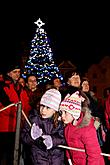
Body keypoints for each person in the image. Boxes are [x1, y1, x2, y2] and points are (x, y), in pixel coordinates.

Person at [21, 88, 66, 165]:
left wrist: (53, 140)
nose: (43, 110)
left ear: (55, 109)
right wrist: (31, 136)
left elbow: (65, 138)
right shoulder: (33, 119)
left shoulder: (60, 121)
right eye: (42, 106)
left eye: (48, 108)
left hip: (56, 160)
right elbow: (23, 137)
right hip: (38, 160)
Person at [60, 90, 105, 165]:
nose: (62, 116)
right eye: (61, 112)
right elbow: (69, 145)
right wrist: (69, 158)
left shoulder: (87, 129)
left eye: (65, 112)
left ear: (75, 113)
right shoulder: (68, 127)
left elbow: (94, 154)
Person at [0, 62, 31, 165]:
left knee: (15, 155)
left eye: (19, 72)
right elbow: (5, 106)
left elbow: (25, 104)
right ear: (9, 73)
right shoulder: (2, 86)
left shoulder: (20, 87)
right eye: (14, 72)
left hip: (18, 127)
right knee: (5, 155)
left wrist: (25, 115)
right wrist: (18, 113)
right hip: (5, 128)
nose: (17, 74)